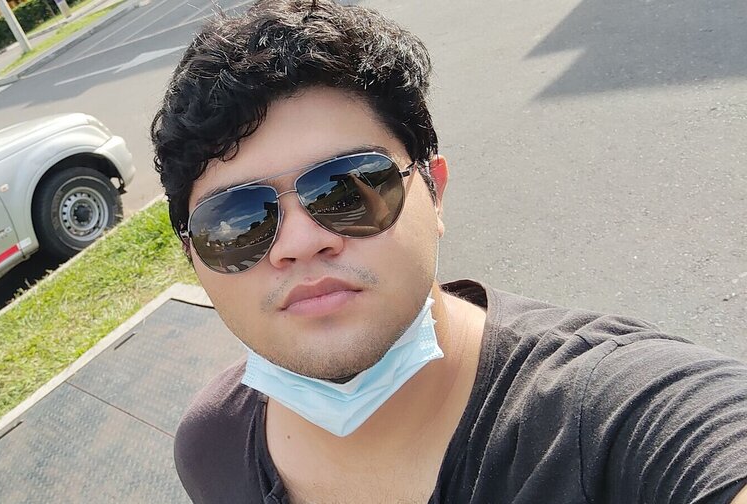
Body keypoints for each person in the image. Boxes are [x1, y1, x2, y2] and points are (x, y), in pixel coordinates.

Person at [150, 1, 747, 502]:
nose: (301, 241)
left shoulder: (612, 417)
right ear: (195, 261)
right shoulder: (212, 448)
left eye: (349, 188)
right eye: (237, 223)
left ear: (433, 191)